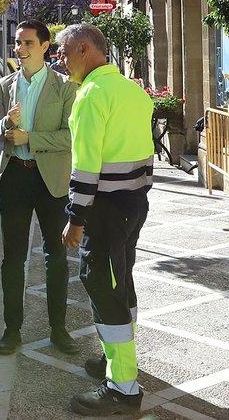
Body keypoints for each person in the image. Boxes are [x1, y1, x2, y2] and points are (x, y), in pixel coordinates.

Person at [58, 24, 154, 416]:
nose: (61, 62)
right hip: (134, 204)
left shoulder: (91, 95)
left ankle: (123, 388)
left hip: (105, 210)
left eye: (64, 53)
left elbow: (86, 167)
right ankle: (115, 360)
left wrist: (75, 218)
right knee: (121, 278)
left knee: (101, 283)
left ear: (84, 50)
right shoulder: (133, 90)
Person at [0, 19, 78, 356]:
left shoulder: (65, 87)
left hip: (50, 179)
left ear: (44, 47)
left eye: (26, 43)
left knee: (56, 257)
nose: (19, 49)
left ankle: (59, 330)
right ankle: (12, 330)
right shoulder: (5, 85)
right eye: (17, 43)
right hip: (14, 177)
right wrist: (6, 124)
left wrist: (31, 139)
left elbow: (70, 137)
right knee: (12, 257)